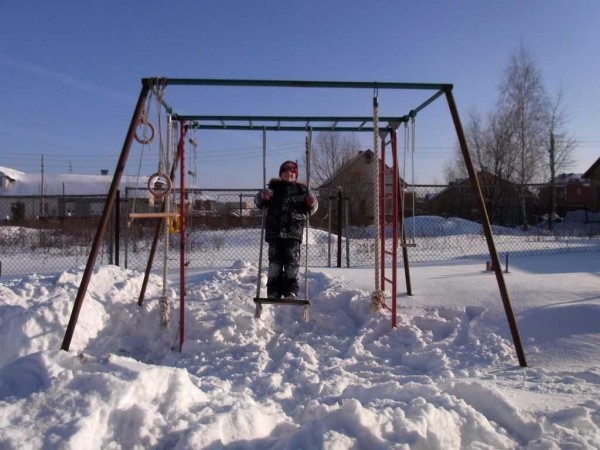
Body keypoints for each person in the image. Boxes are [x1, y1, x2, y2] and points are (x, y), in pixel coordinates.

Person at [254, 160, 318, 299]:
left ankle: (291, 290)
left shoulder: (302, 191)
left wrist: (311, 203)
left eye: (292, 171)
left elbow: (313, 208)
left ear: (295, 175)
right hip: (274, 232)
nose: (289, 173)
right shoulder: (272, 189)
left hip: (293, 232)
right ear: (281, 174)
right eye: (286, 171)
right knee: (275, 262)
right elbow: (258, 202)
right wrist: (262, 197)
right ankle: (273, 290)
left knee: (292, 261)